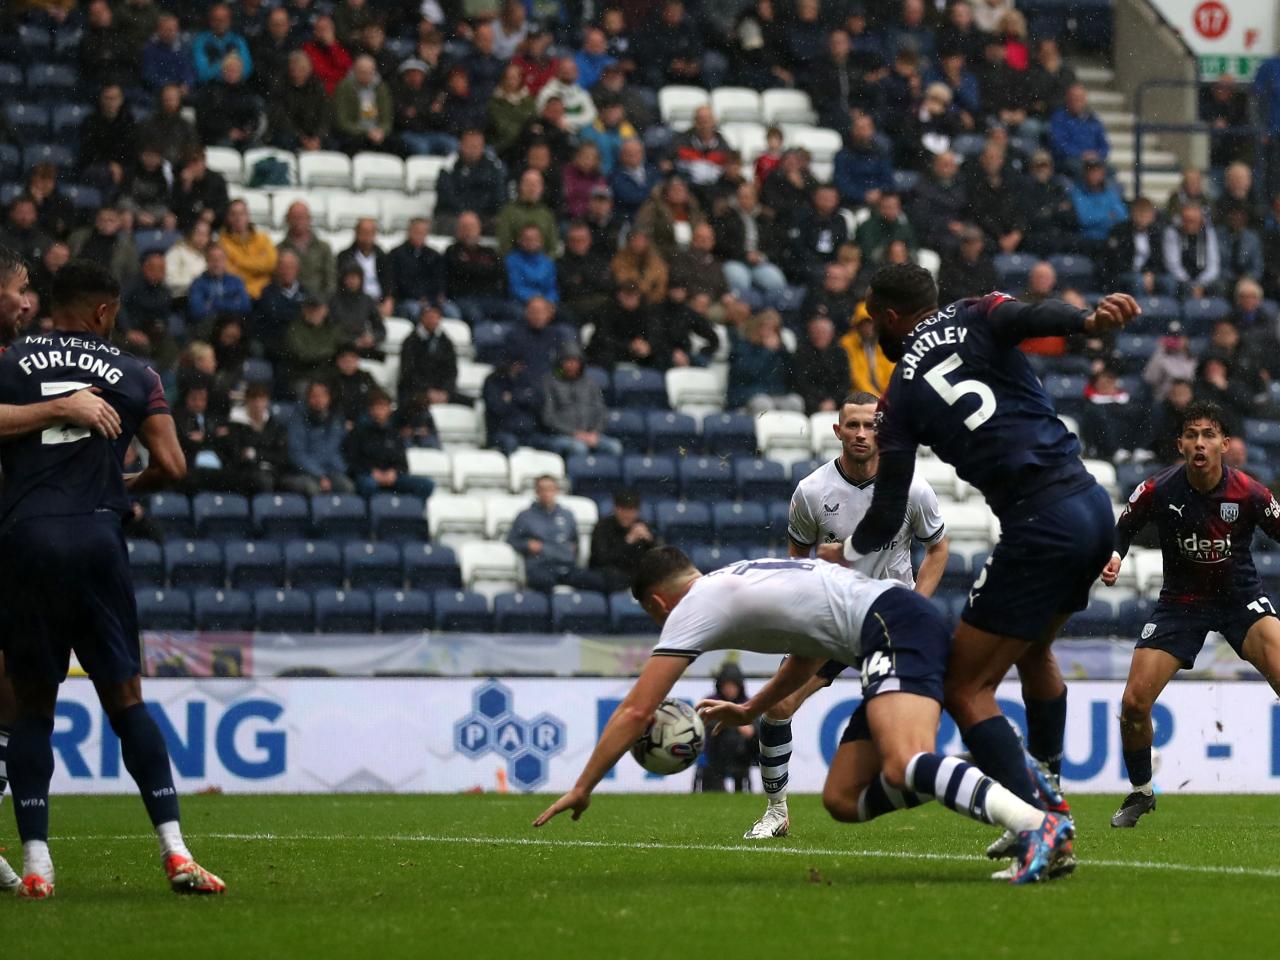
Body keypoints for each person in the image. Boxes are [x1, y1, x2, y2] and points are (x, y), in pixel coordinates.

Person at [840, 262, 1140, 871]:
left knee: (964, 686)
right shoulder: (976, 312)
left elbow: (890, 507)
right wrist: (1085, 320)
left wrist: (841, 554)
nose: (876, 334)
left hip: (1040, 526)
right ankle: (1047, 787)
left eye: (875, 322)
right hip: (1089, 506)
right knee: (1032, 652)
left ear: (893, 317)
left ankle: (1044, 824)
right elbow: (1031, 317)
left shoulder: (899, 396)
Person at [534, 547, 1074, 886]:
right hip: (889, 626)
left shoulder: (692, 607)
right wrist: (751, 708)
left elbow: (636, 709)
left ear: (657, 603)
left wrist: (585, 785)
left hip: (892, 624)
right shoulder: (735, 581)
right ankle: (997, 774)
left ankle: (1037, 824)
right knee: (844, 799)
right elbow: (808, 652)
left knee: (906, 760)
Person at [0, 259, 223, 897]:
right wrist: (123, 484)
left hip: (26, 540)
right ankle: (177, 854)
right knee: (125, 701)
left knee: (34, 708)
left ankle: (38, 867)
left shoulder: (12, 360)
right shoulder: (134, 371)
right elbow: (174, 466)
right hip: (98, 538)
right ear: (102, 313)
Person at [741, 391, 949, 838]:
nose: (861, 433)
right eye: (852, 425)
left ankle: (973, 785)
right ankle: (776, 812)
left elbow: (938, 548)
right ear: (837, 431)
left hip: (890, 622)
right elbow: (797, 556)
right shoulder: (811, 492)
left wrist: (919, 603)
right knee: (777, 708)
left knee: (904, 737)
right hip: (833, 617)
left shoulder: (911, 485)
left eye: (871, 425)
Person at [1101, 402, 1280, 827]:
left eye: (1209, 434)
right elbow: (1121, 529)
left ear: (1224, 443)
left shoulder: (1250, 493)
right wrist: (1113, 555)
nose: (1200, 443)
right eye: (1192, 435)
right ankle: (1142, 793)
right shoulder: (1157, 489)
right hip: (1181, 603)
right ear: (1181, 444)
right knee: (1133, 704)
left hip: (1240, 599)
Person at [508, 476, 603, 593]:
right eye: (542, 489)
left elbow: (575, 542)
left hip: (567, 567)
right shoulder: (525, 516)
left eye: (549, 489)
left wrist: (570, 549)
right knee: (544, 583)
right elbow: (512, 540)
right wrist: (527, 544)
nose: (546, 493)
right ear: (536, 492)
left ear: (556, 490)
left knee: (597, 581)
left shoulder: (567, 515)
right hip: (540, 567)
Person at [344, 389, 434, 499]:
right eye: (377, 406)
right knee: (368, 484)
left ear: (389, 409)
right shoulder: (359, 432)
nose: (380, 411)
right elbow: (353, 461)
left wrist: (394, 472)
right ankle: (372, 515)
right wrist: (372, 471)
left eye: (384, 406)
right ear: (370, 409)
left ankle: (413, 514)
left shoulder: (394, 433)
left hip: (392, 477)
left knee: (426, 484)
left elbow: (403, 464)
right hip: (369, 475)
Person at [540, 344, 622, 458]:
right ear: (560, 362)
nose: (571, 365)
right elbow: (548, 418)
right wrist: (574, 433)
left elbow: (601, 412)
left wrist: (595, 432)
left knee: (615, 446)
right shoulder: (550, 383)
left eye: (575, 361)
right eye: (567, 361)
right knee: (579, 448)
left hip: (590, 434)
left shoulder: (590, 383)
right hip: (563, 436)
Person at [286, 380, 354, 495]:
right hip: (305, 472)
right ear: (308, 398)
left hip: (332, 471)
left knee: (347, 487)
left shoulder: (336, 418)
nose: (319, 400)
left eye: (323, 395)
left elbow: (338, 449)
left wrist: (338, 469)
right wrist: (319, 475)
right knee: (313, 489)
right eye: (315, 396)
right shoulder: (299, 419)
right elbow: (297, 454)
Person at [700, 661, 757, 793]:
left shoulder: (747, 704)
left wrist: (752, 732)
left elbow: (757, 728)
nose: (729, 690)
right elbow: (706, 726)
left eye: (733, 686)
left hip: (741, 756)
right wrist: (733, 723)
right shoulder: (711, 701)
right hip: (715, 755)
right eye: (727, 686)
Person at [589, 490, 656, 595]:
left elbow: (658, 558)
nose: (627, 515)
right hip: (609, 575)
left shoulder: (643, 526)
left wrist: (650, 541)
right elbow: (600, 559)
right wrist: (628, 541)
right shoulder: (603, 527)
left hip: (636, 575)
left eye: (632, 511)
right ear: (615, 509)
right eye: (623, 510)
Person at [187, 247, 251, 333]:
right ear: (207, 261)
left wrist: (214, 303)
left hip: (235, 327)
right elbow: (197, 311)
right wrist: (231, 302)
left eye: (220, 259)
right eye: (212, 259)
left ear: (225, 261)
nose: (216, 263)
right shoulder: (198, 283)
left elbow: (245, 306)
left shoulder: (236, 281)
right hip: (209, 329)